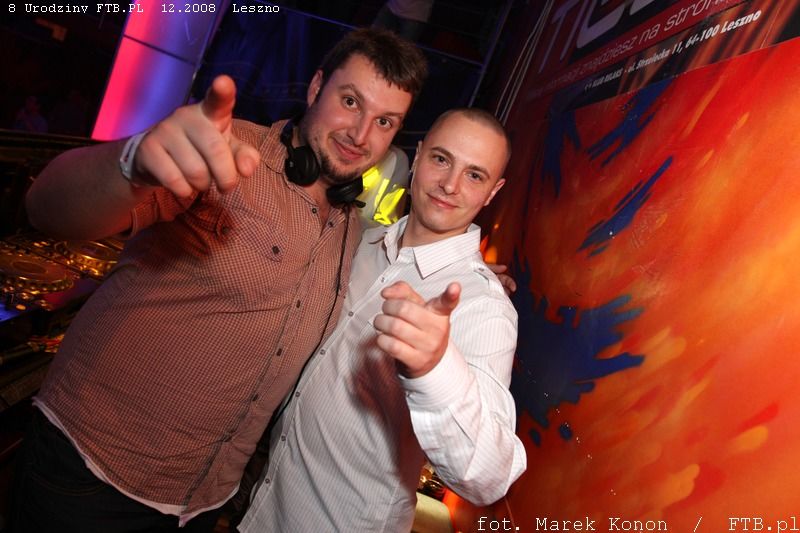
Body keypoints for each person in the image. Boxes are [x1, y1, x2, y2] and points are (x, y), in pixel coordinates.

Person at [11, 28, 427, 532]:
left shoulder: (348, 228)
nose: (360, 134)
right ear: (316, 87)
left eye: (384, 121)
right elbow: (46, 208)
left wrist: (464, 271)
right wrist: (132, 165)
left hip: (204, 501)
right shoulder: (224, 154)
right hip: (91, 474)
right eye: (350, 101)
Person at [239, 108, 527, 533]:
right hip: (264, 502)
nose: (450, 185)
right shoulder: (364, 242)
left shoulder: (483, 307)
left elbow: (489, 475)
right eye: (441, 159)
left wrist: (435, 368)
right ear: (419, 156)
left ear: (492, 192)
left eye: (474, 175)